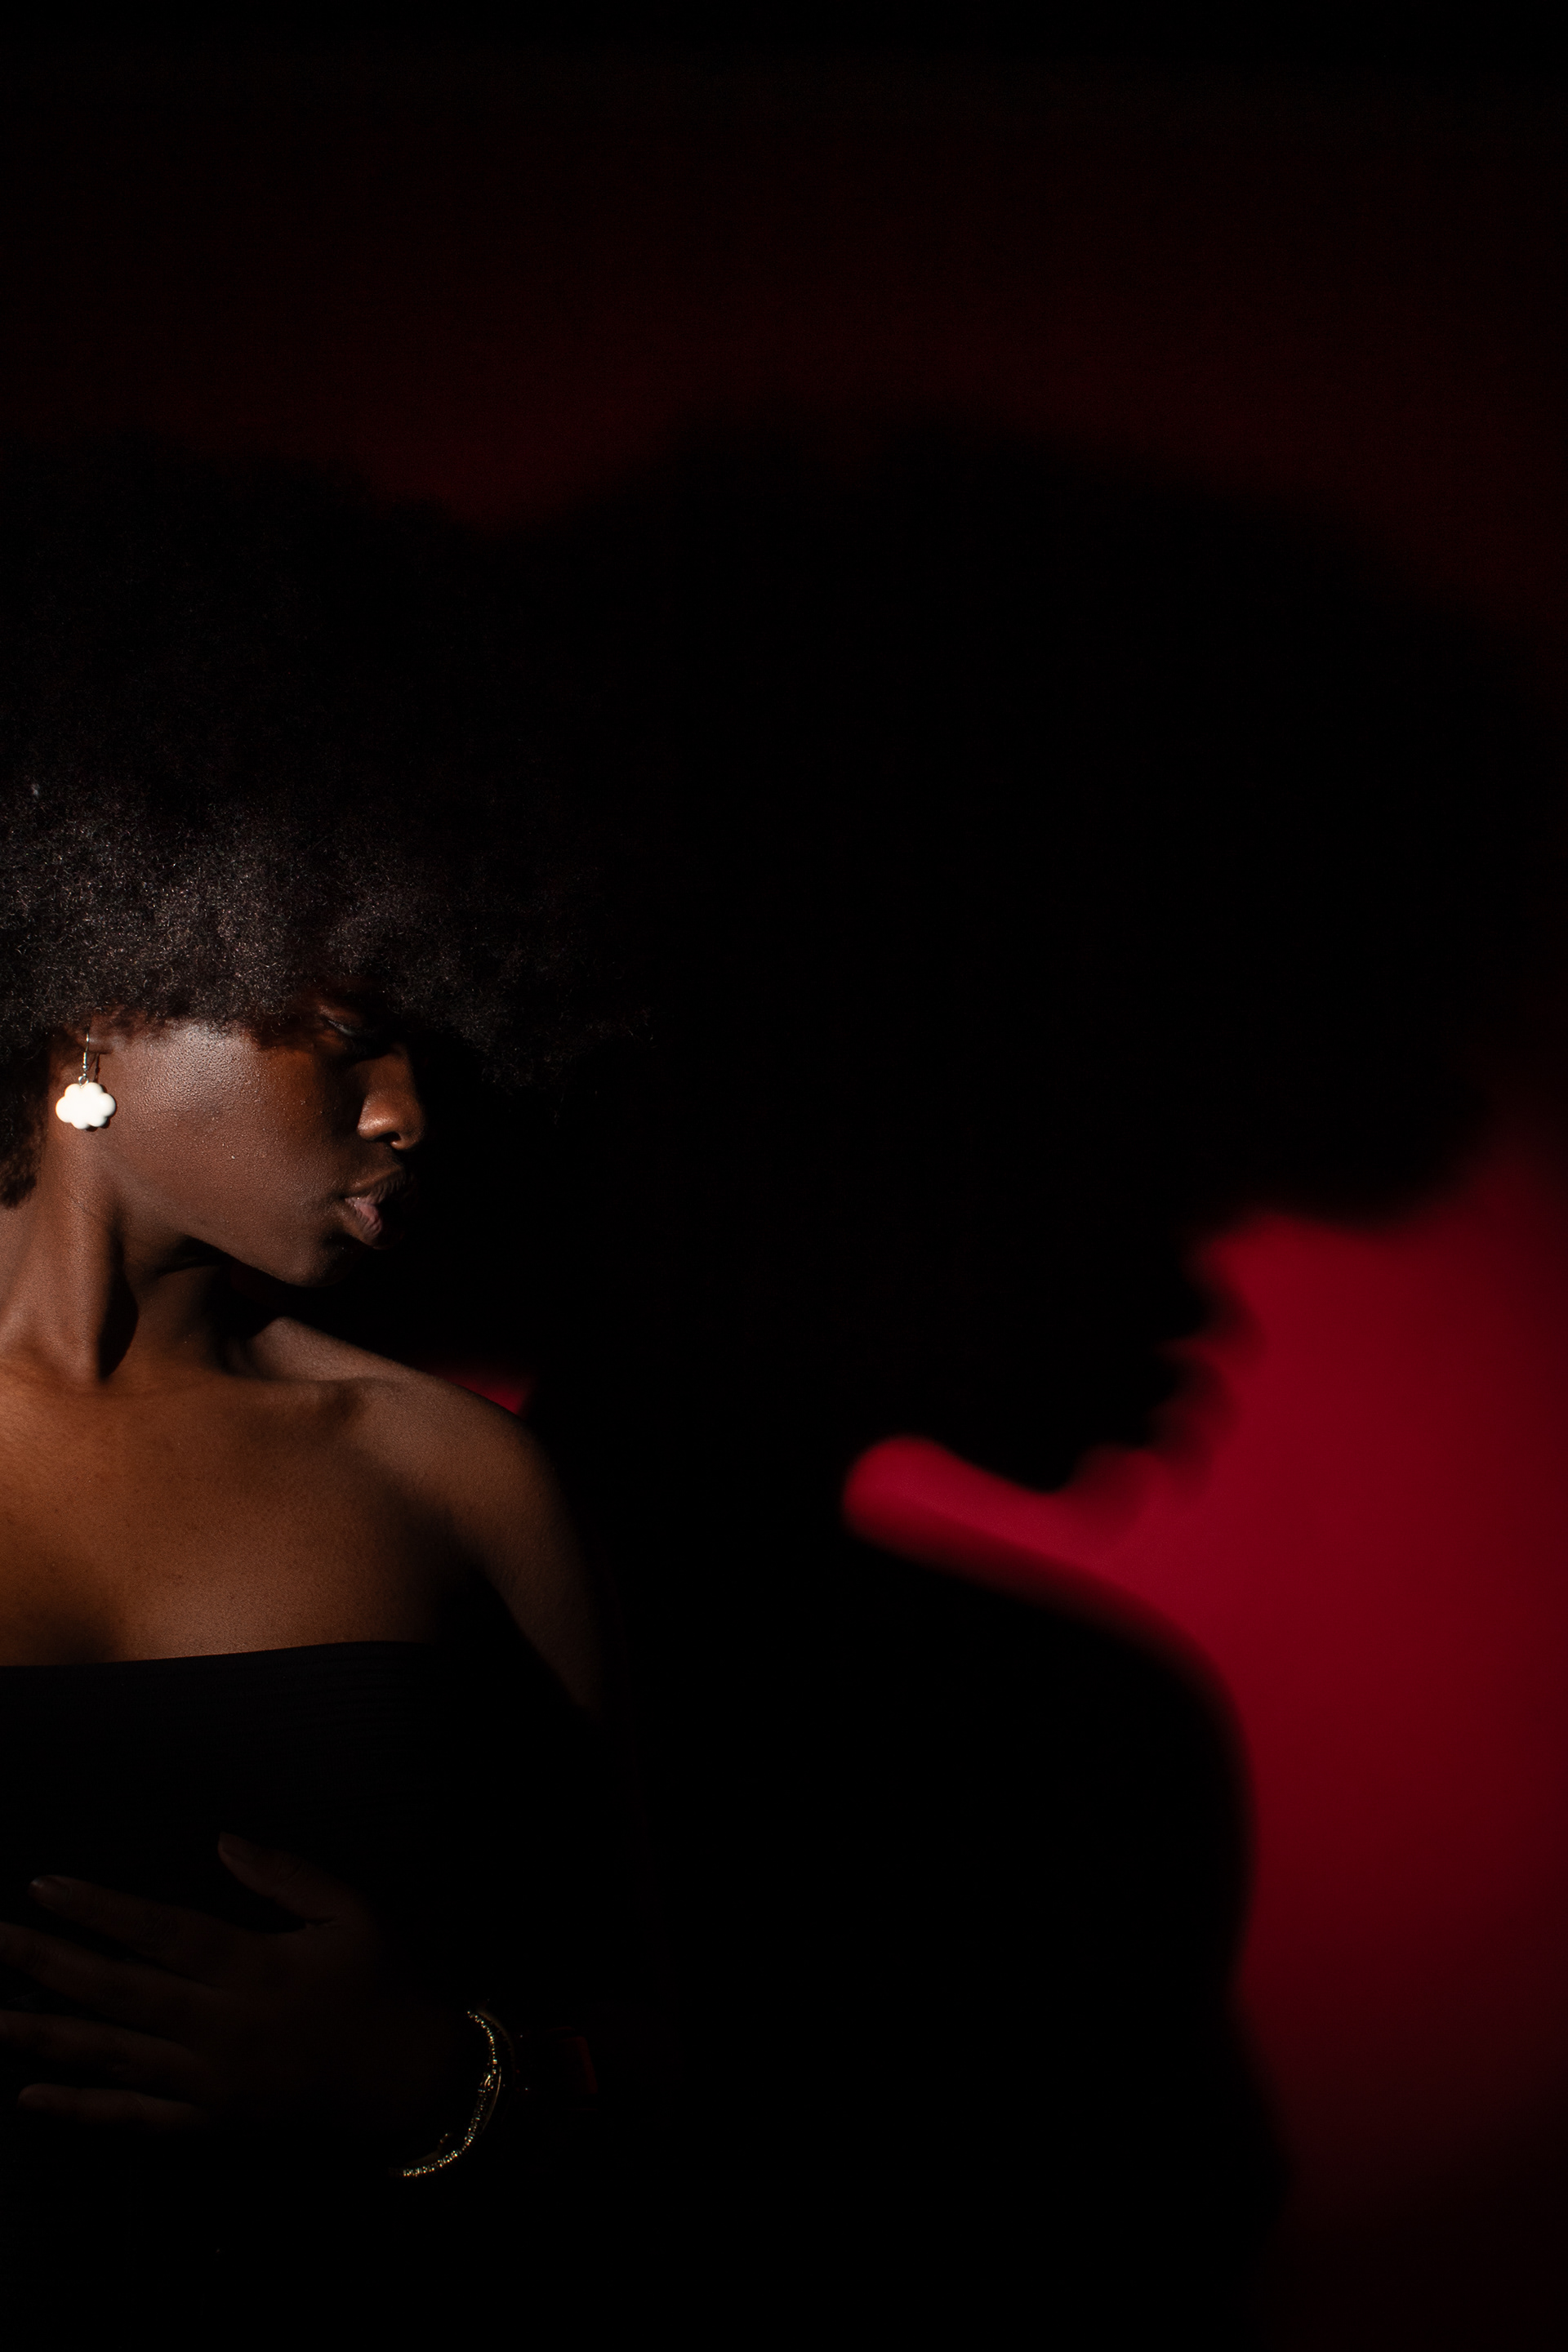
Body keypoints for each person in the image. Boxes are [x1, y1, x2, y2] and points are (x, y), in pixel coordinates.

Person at [504, 422, 1561, 2345]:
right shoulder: (1049, 1753)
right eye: (1130, 1170)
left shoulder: (280, 1648)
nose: (1198, 1301)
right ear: (816, 1112)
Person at [0, 443, 661, 2336]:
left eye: (427, 1045)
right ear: (102, 1004)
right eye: (348, 1039)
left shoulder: (456, 1484)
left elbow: (668, 2056)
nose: (408, 1115)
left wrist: (432, 2084)